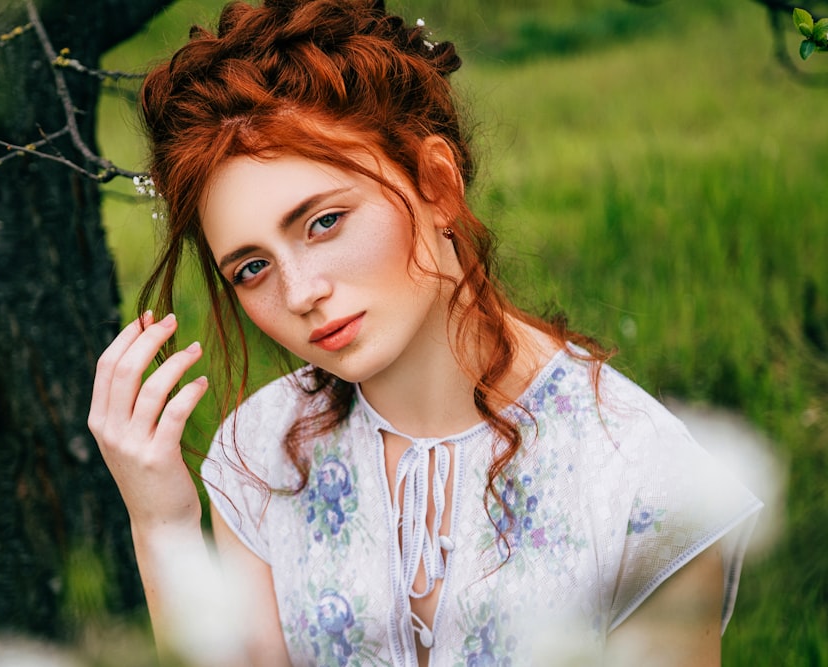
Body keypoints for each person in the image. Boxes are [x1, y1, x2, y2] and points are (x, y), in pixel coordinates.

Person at [87, 1, 763, 664]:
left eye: (323, 222)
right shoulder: (261, 453)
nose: (299, 293)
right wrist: (163, 523)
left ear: (437, 185)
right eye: (253, 267)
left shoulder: (644, 479)